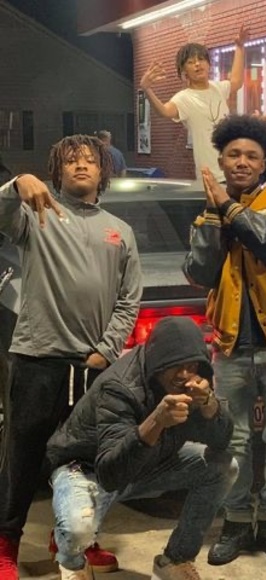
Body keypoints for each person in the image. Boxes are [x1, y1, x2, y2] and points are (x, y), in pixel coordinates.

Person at [0, 135, 142, 579]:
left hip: (92, 368)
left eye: (90, 160)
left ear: (103, 171)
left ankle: (73, 537)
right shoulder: (35, 215)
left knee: (84, 462)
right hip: (37, 358)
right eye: (71, 160)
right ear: (57, 171)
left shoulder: (120, 230)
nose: (81, 165)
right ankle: (5, 543)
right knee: (22, 457)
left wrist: (106, 351)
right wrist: (16, 185)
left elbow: (129, 299)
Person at [183, 115, 266, 566]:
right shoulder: (209, 208)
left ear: (263, 163)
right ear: (221, 160)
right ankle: (236, 521)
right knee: (231, 440)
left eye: (251, 156)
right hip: (230, 346)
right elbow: (200, 272)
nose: (241, 162)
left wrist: (230, 209)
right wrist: (213, 216)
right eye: (233, 154)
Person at [46, 316, 237, 580]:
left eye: (190, 365)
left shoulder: (196, 377)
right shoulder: (120, 387)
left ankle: (175, 559)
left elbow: (221, 442)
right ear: (158, 362)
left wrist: (209, 404)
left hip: (149, 460)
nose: (184, 375)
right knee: (77, 527)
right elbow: (111, 474)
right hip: (88, 467)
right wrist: (156, 422)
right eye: (174, 367)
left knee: (223, 467)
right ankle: (73, 563)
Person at [140, 25, 249, 182]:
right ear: (184, 71)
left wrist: (239, 47)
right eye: (191, 62)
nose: (197, 64)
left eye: (201, 59)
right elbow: (164, 111)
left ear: (209, 64)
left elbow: (236, 82)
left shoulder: (218, 88)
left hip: (235, 171)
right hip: (212, 176)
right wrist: (147, 89)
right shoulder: (184, 98)